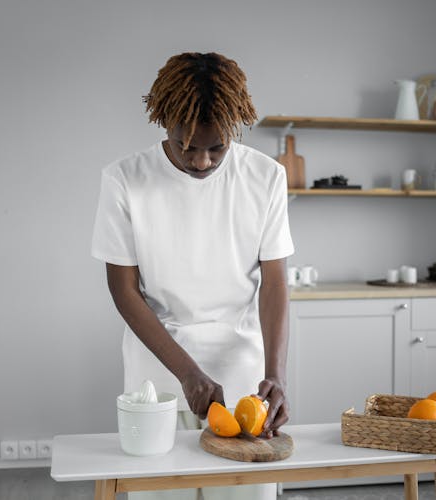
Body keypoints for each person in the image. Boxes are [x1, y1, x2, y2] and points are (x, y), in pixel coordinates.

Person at [91, 52, 294, 500]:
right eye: (188, 146)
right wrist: (187, 373)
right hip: (158, 377)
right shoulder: (125, 179)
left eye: (216, 147)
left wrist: (275, 374)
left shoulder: (265, 176)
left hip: (242, 371)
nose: (201, 162)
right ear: (165, 122)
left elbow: (275, 282)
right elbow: (123, 289)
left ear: (235, 128)